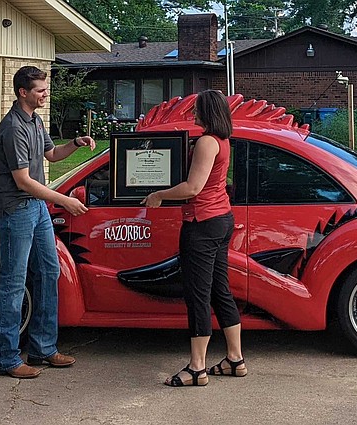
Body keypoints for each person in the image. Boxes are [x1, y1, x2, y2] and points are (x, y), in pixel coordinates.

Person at [0, 66, 95, 379]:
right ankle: (6, 359)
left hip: (36, 208)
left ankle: (43, 348)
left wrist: (75, 143)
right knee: (13, 281)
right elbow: (23, 181)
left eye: (45, 89)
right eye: (39, 90)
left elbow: (51, 154)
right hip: (16, 209)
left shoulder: (35, 121)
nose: (45, 94)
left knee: (49, 271)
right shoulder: (12, 128)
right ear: (23, 92)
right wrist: (63, 200)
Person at [142, 89, 247, 387]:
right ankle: (235, 359)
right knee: (219, 290)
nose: (193, 113)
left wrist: (158, 194)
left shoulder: (206, 142)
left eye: (197, 109)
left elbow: (192, 188)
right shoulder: (222, 141)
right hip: (221, 219)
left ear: (207, 112)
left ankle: (197, 368)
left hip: (202, 223)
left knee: (198, 294)